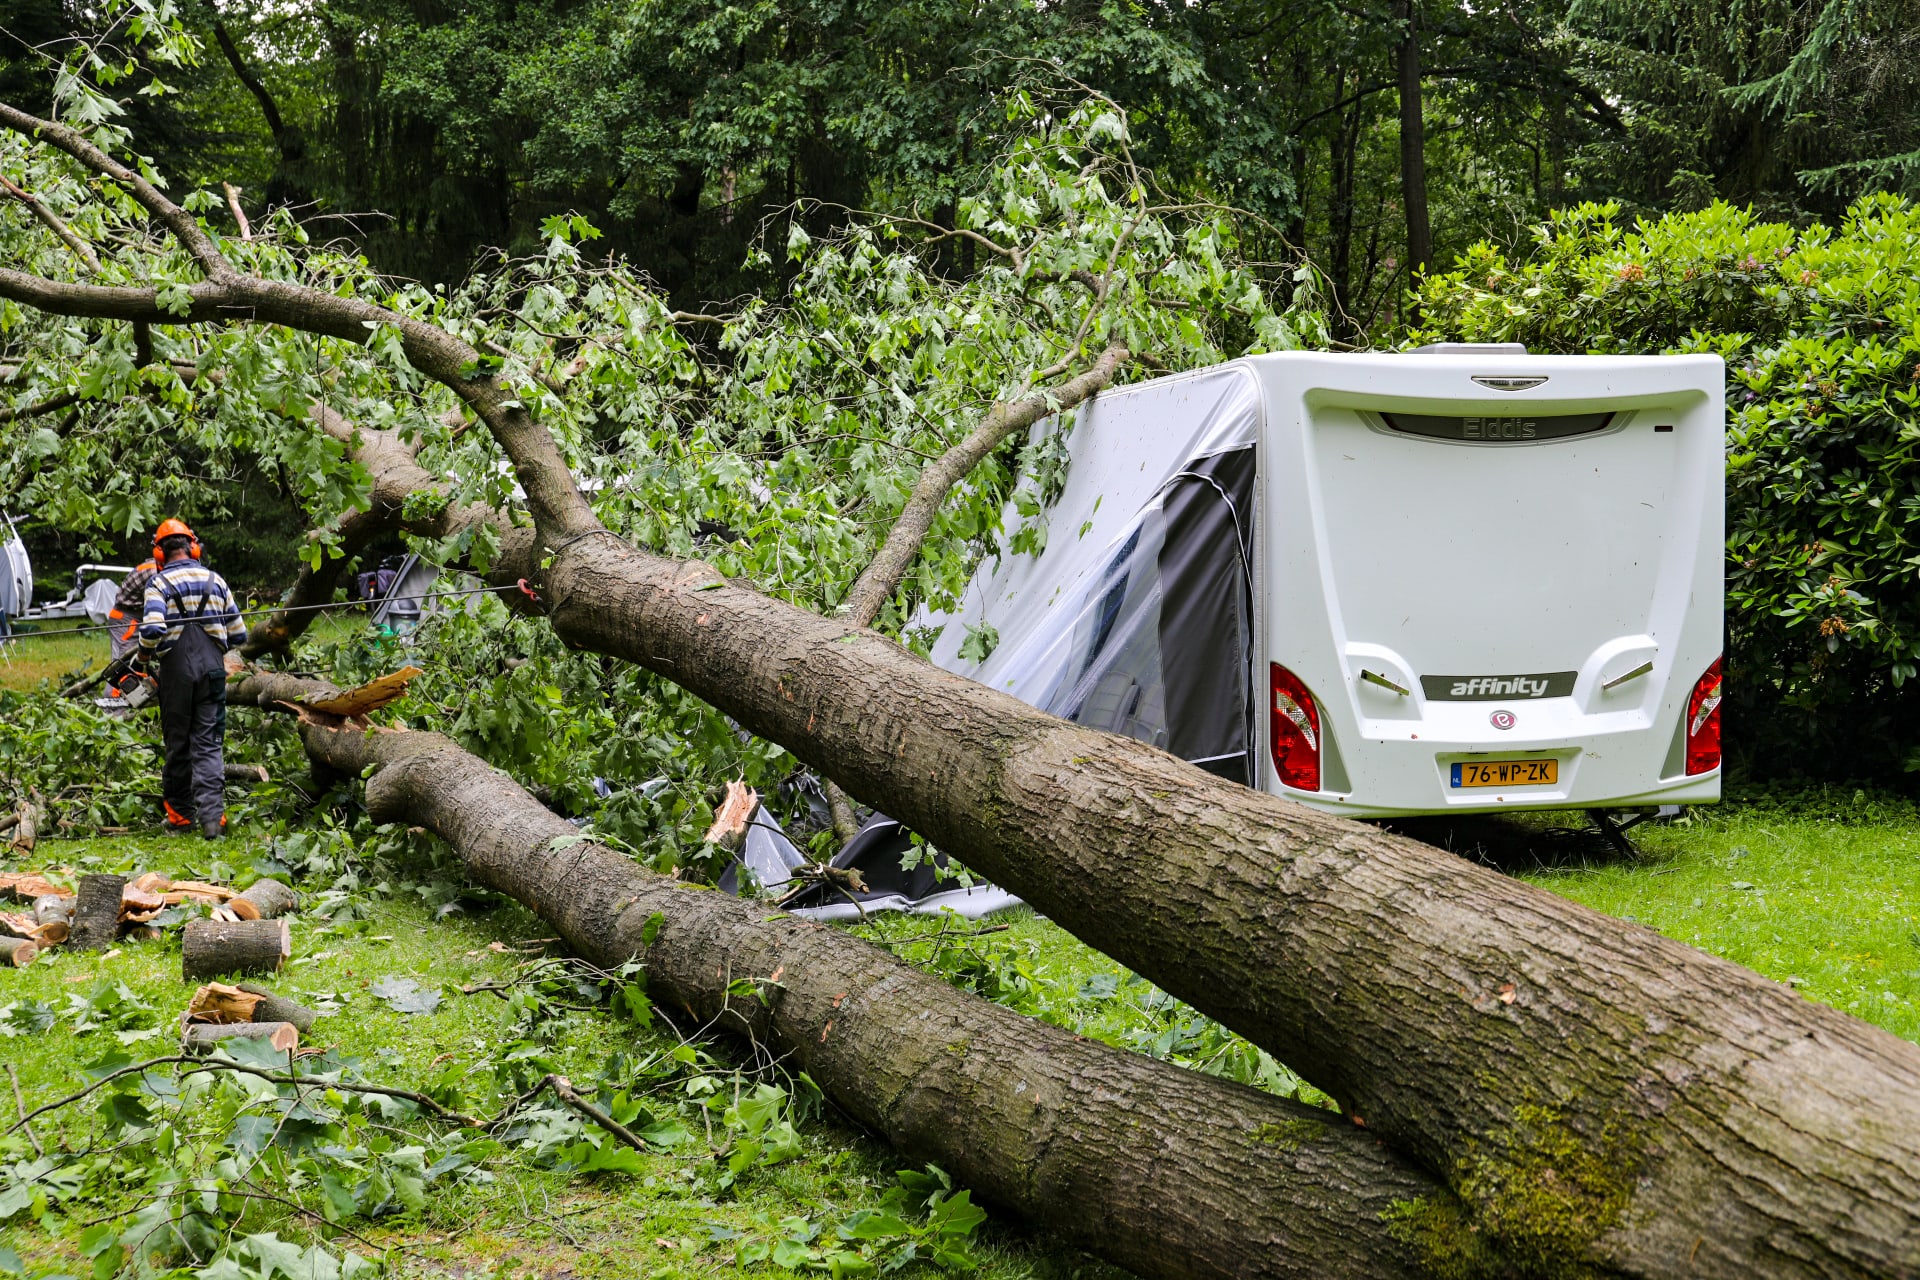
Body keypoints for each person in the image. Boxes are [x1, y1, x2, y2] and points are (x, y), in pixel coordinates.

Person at [135, 519, 247, 838]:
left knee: (178, 743)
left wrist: (142, 659)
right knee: (209, 743)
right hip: (212, 670)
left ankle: (181, 817)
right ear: (193, 547)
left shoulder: (158, 584)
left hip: (176, 673)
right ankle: (213, 820)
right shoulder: (215, 580)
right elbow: (239, 634)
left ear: (159, 553)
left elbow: (153, 628)